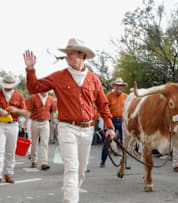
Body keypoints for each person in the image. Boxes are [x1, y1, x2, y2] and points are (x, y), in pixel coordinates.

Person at [24, 38, 116, 203]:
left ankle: (71, 190)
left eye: (70, 52)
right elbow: (34, 88)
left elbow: (103, 105)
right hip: (67, 128)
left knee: (81, 170)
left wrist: (109, 126)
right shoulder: (59, 76)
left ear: (81, 55)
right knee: (71, 169)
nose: (66, 55)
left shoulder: (94, 79)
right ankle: (70, 199)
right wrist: (30, 69)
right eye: (66, 53)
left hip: (88, 130)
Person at [0, 73, 27, 183]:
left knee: (11, 150)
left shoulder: (19, 96)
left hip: (13, 124)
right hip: (1, 124)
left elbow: (25, 111)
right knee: (0, 150)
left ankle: (8, 173)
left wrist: (16, 110)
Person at [100, 77, 129, 168]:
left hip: (122, 120)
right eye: (117, 85)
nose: (119, 87)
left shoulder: (126, 97)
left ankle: (124, 163)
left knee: (124, 142)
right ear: (114, 86)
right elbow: (104, 108)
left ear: (123, 87)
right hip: (111, 120)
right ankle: (103, 161)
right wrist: (106, 122)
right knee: (107, 141)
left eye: (120, 86)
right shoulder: (108, 96)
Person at [25, 91, 57, 170]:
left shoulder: (50, 99)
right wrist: (26, 123)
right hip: (35, 122)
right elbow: (29, 111)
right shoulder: (33, 98)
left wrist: (53, 122)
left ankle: (44, 162)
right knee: (34, 142)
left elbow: (52, 112)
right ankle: (34, 160)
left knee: (44, 143)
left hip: (45, 122)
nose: (44, 91)